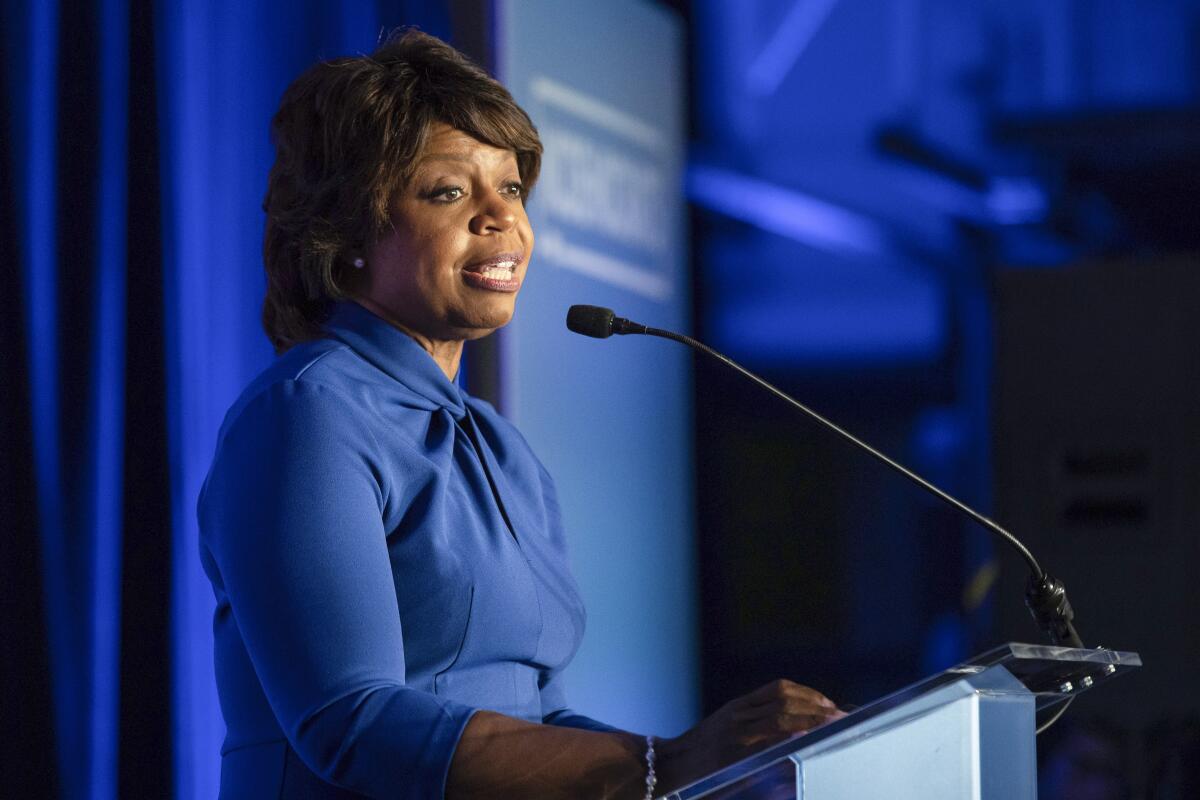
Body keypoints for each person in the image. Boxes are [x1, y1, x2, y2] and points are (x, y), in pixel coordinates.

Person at [198, 28, 844, 799]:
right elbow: (352, 722)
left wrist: (703, 762)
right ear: (349, 235)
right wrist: (662, 764)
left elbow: (542, 716)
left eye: (511, 189)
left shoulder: (500, 450)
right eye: (448, 192)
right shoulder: (307, 413)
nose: (500, 218)